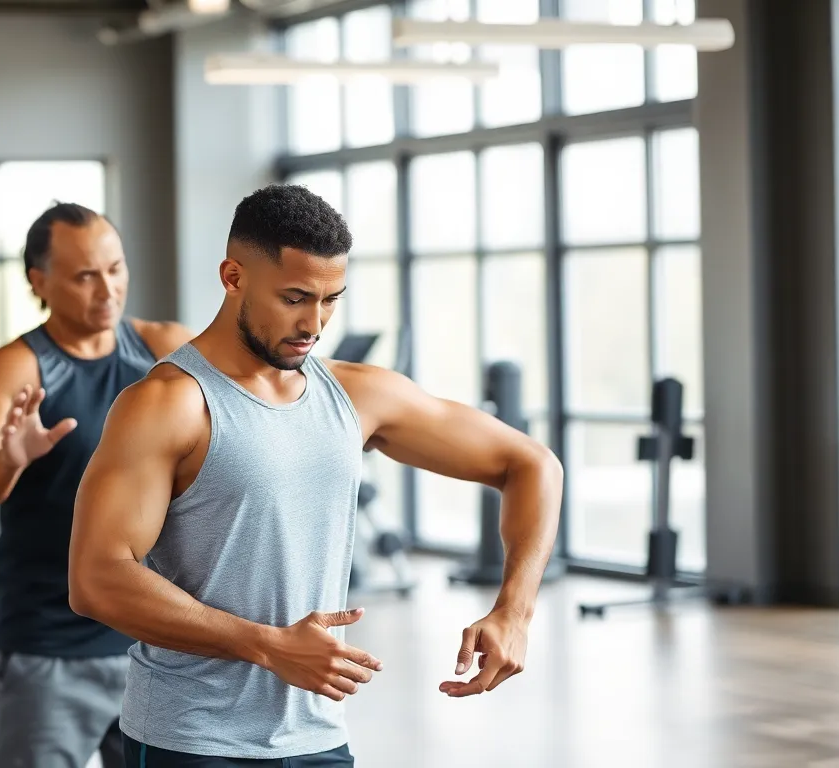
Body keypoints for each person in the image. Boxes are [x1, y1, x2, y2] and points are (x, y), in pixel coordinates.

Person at [67, 184, 563, 766]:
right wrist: (266, 646)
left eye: (331, 299)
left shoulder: (358, 394)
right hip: (189, 740)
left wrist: (515, 611)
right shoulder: (168, 404)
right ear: (233, 276)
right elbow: (96, 578)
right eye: (295, 298)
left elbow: (532, 464)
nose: (314, 323)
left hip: (317, 738)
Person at [0, 202, 194, 768]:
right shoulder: (17, 369)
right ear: (39, 282)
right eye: (85, 276)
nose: (107, 291)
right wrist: (10, 458)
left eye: (115, 269)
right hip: (49, 651)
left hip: (153, 643)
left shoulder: (163, 348)